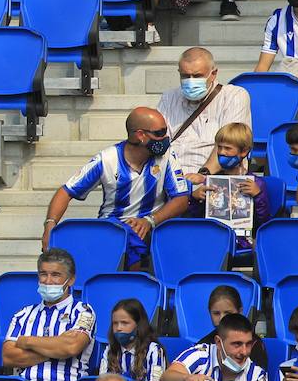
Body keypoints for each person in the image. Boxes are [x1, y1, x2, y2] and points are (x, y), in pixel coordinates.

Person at [42, 107, 192, 268]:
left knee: (137, 237)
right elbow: (66, 191)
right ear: (140, 135)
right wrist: (50, 225)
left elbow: (182, 199)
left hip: (151, 227)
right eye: (159, 133)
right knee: (122, 235)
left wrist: (149, 220)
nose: (165, 137)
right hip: (112, 228)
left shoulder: (167, 156)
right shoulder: (107, 159)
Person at [2, 249, 96, 381]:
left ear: (70, 280)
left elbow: (72, 347)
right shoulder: (23, 313)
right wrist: (57, 346)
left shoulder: (83, 311)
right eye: (43, 274)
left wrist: (27, 341)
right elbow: (8, 356)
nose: (48, 280)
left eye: (55, 275)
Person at [157, 46, 251, 173]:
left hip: (213, 176)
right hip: (170, 176)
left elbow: (232, 145)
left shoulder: (233, 96)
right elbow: (157, 140)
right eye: (185, 76)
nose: (190, 81)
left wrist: (203, 175)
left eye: (197, 76)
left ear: (213, 74)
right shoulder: (169, 98)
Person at [184, 123, 272, 251]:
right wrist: (195, 198)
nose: (221, 152)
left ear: (244, 151)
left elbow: (263, 221)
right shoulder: (211, 181)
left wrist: (258, 196)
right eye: (219, 147)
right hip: (211, 238)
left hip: (241, 240)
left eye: (227, 148)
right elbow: (197, 217)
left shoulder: (256, 183)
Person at [99, 299, 165, 381]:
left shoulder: (153, 350)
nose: (119, 328)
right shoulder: (109, 350)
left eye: (124, 323)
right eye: (115, 323)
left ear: (138, 325)